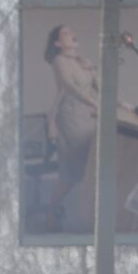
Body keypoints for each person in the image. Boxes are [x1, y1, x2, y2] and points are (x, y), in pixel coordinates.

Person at [44, 25, 99, 232]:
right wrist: (94, 103)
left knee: (92, 167)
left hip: (89, 117)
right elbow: (70, 86)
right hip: (70, 117)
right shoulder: (59, 61)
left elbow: (102, 87)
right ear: (58, 43)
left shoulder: (84, 63)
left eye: (72, 32)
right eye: (66, 33)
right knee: (73, 172)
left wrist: (122, 104)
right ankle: (51, 211)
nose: (72, 34)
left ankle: (90, 216)